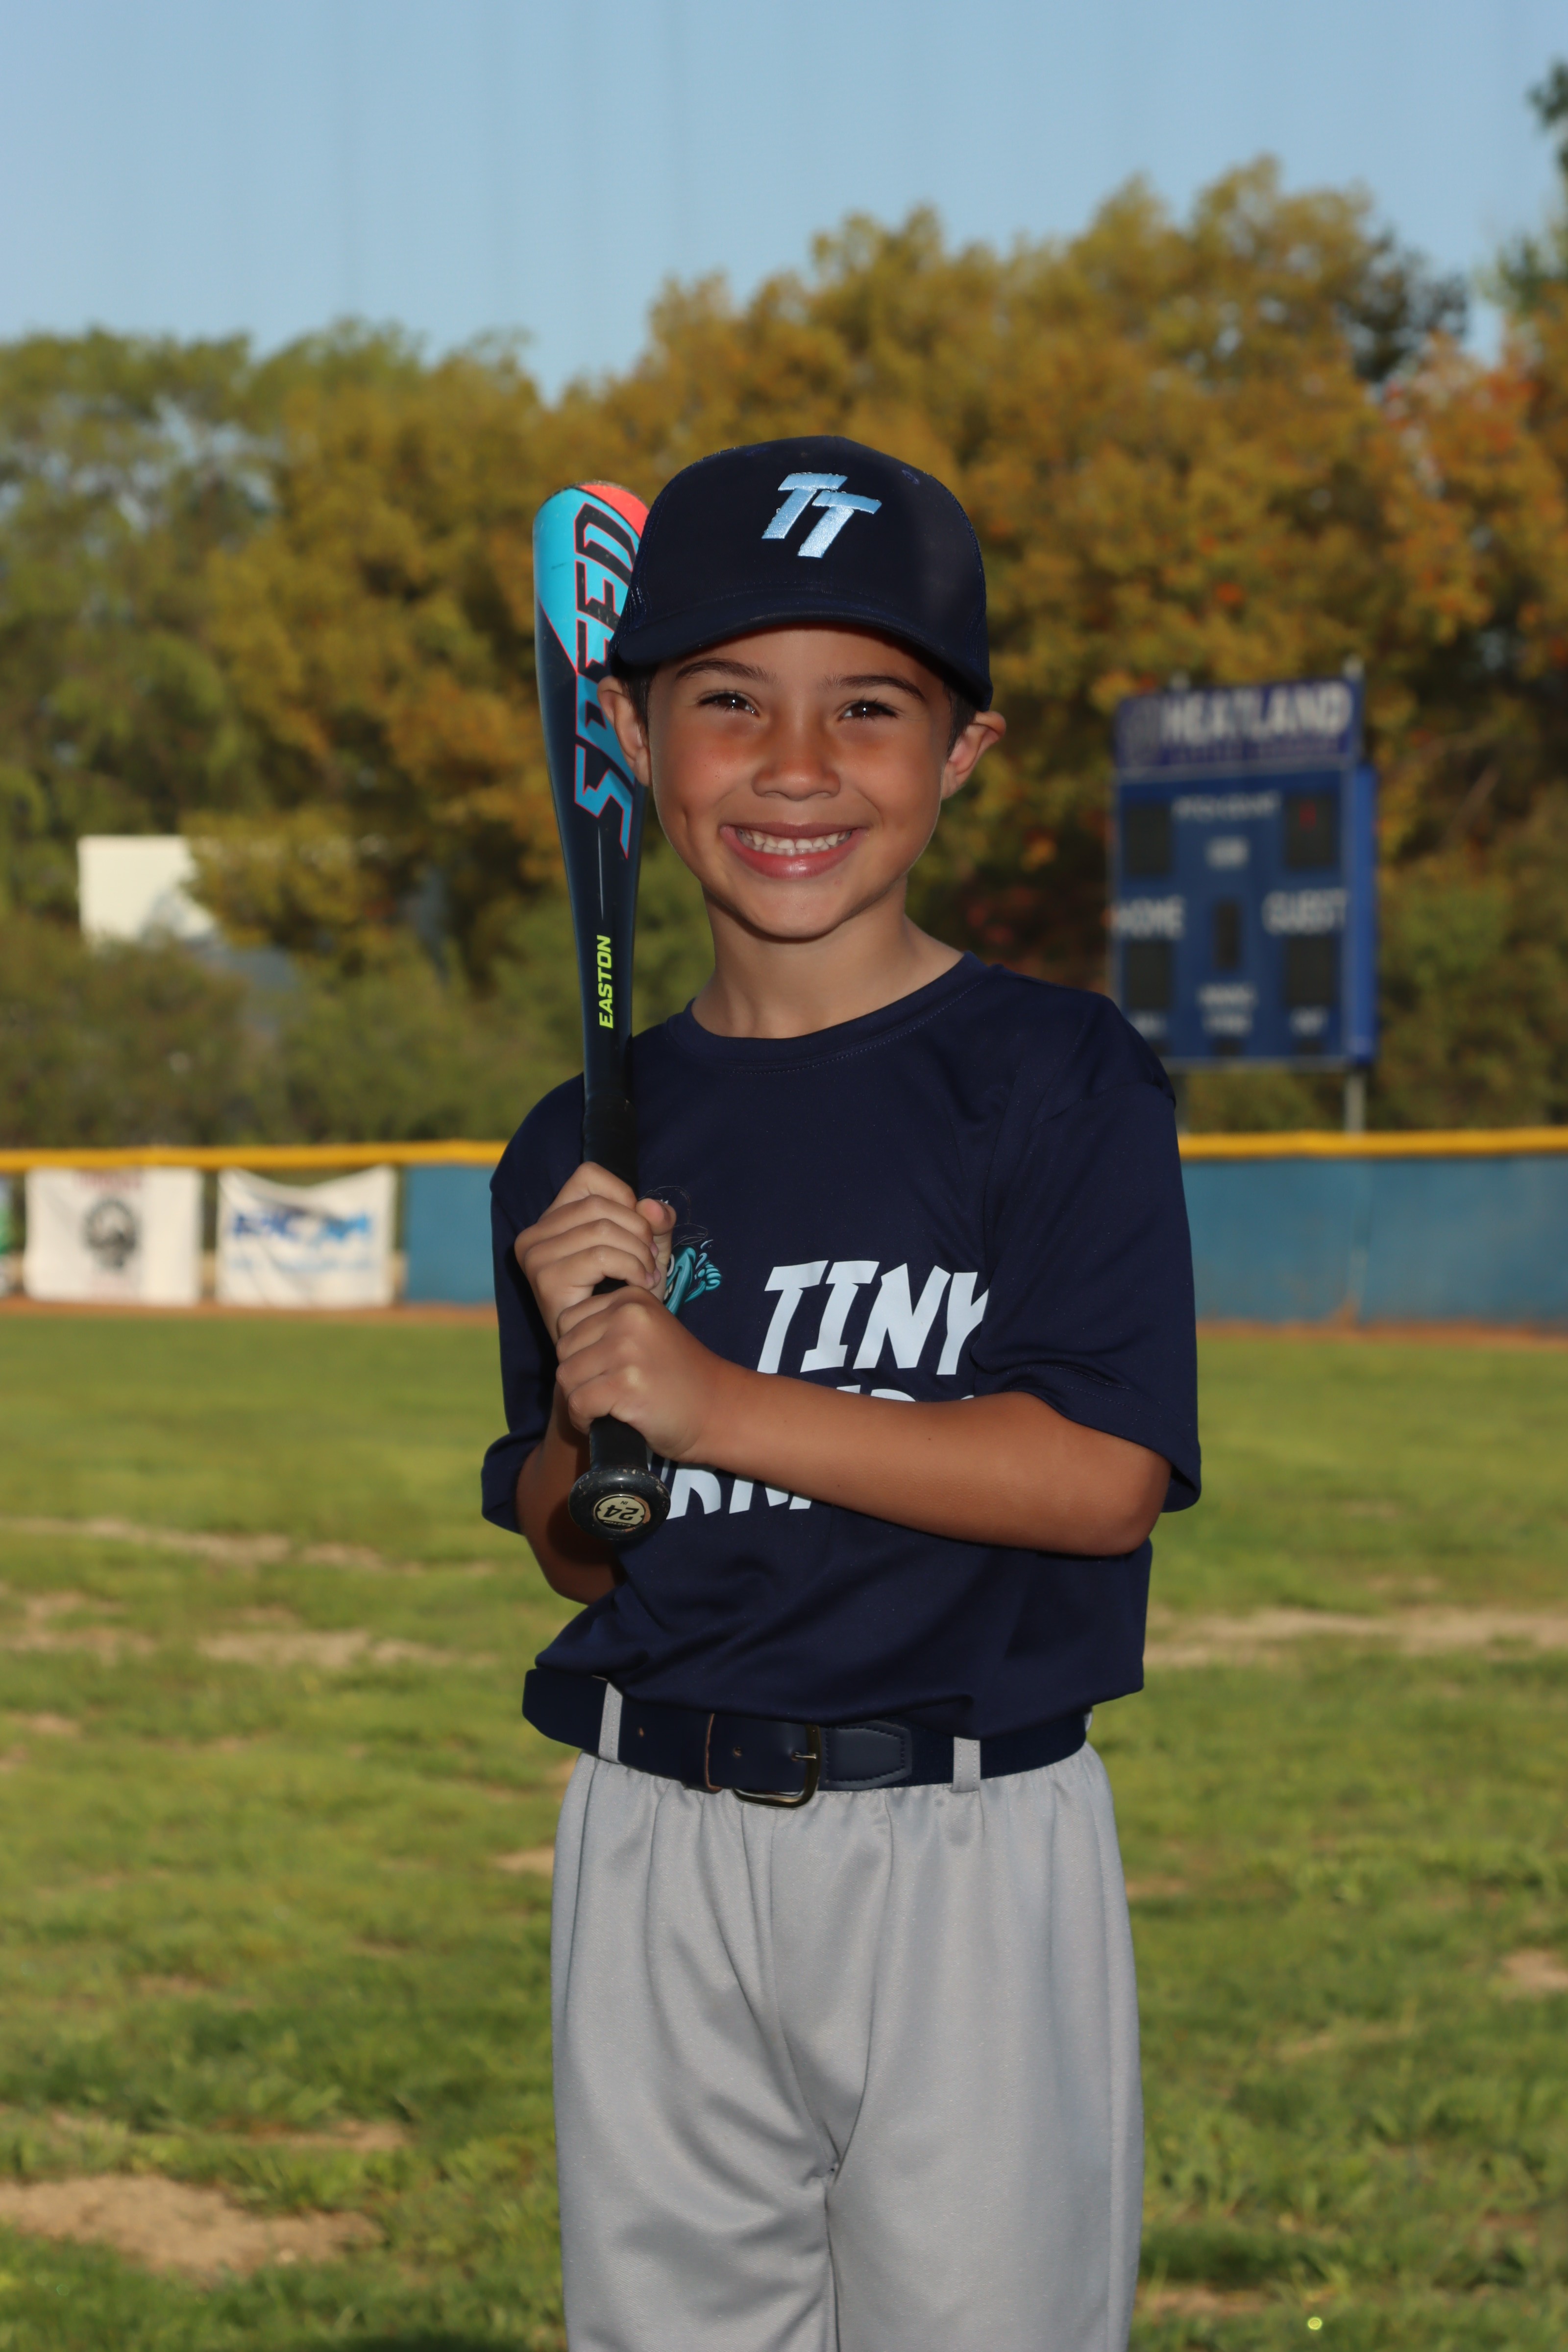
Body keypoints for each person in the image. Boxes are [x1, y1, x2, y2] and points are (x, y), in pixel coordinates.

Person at [482, 436, 1200, 2352]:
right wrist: (594, 1407)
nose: (795, 765)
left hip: (957, 1838)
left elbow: (1099, 1481)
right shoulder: (579, 1138)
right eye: (729, 701)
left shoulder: (1055, 1077)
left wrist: (713, 1398)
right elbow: (578, 1543)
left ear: (961, 753)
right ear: (627, 734)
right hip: (651, 1831)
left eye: (868, 708)